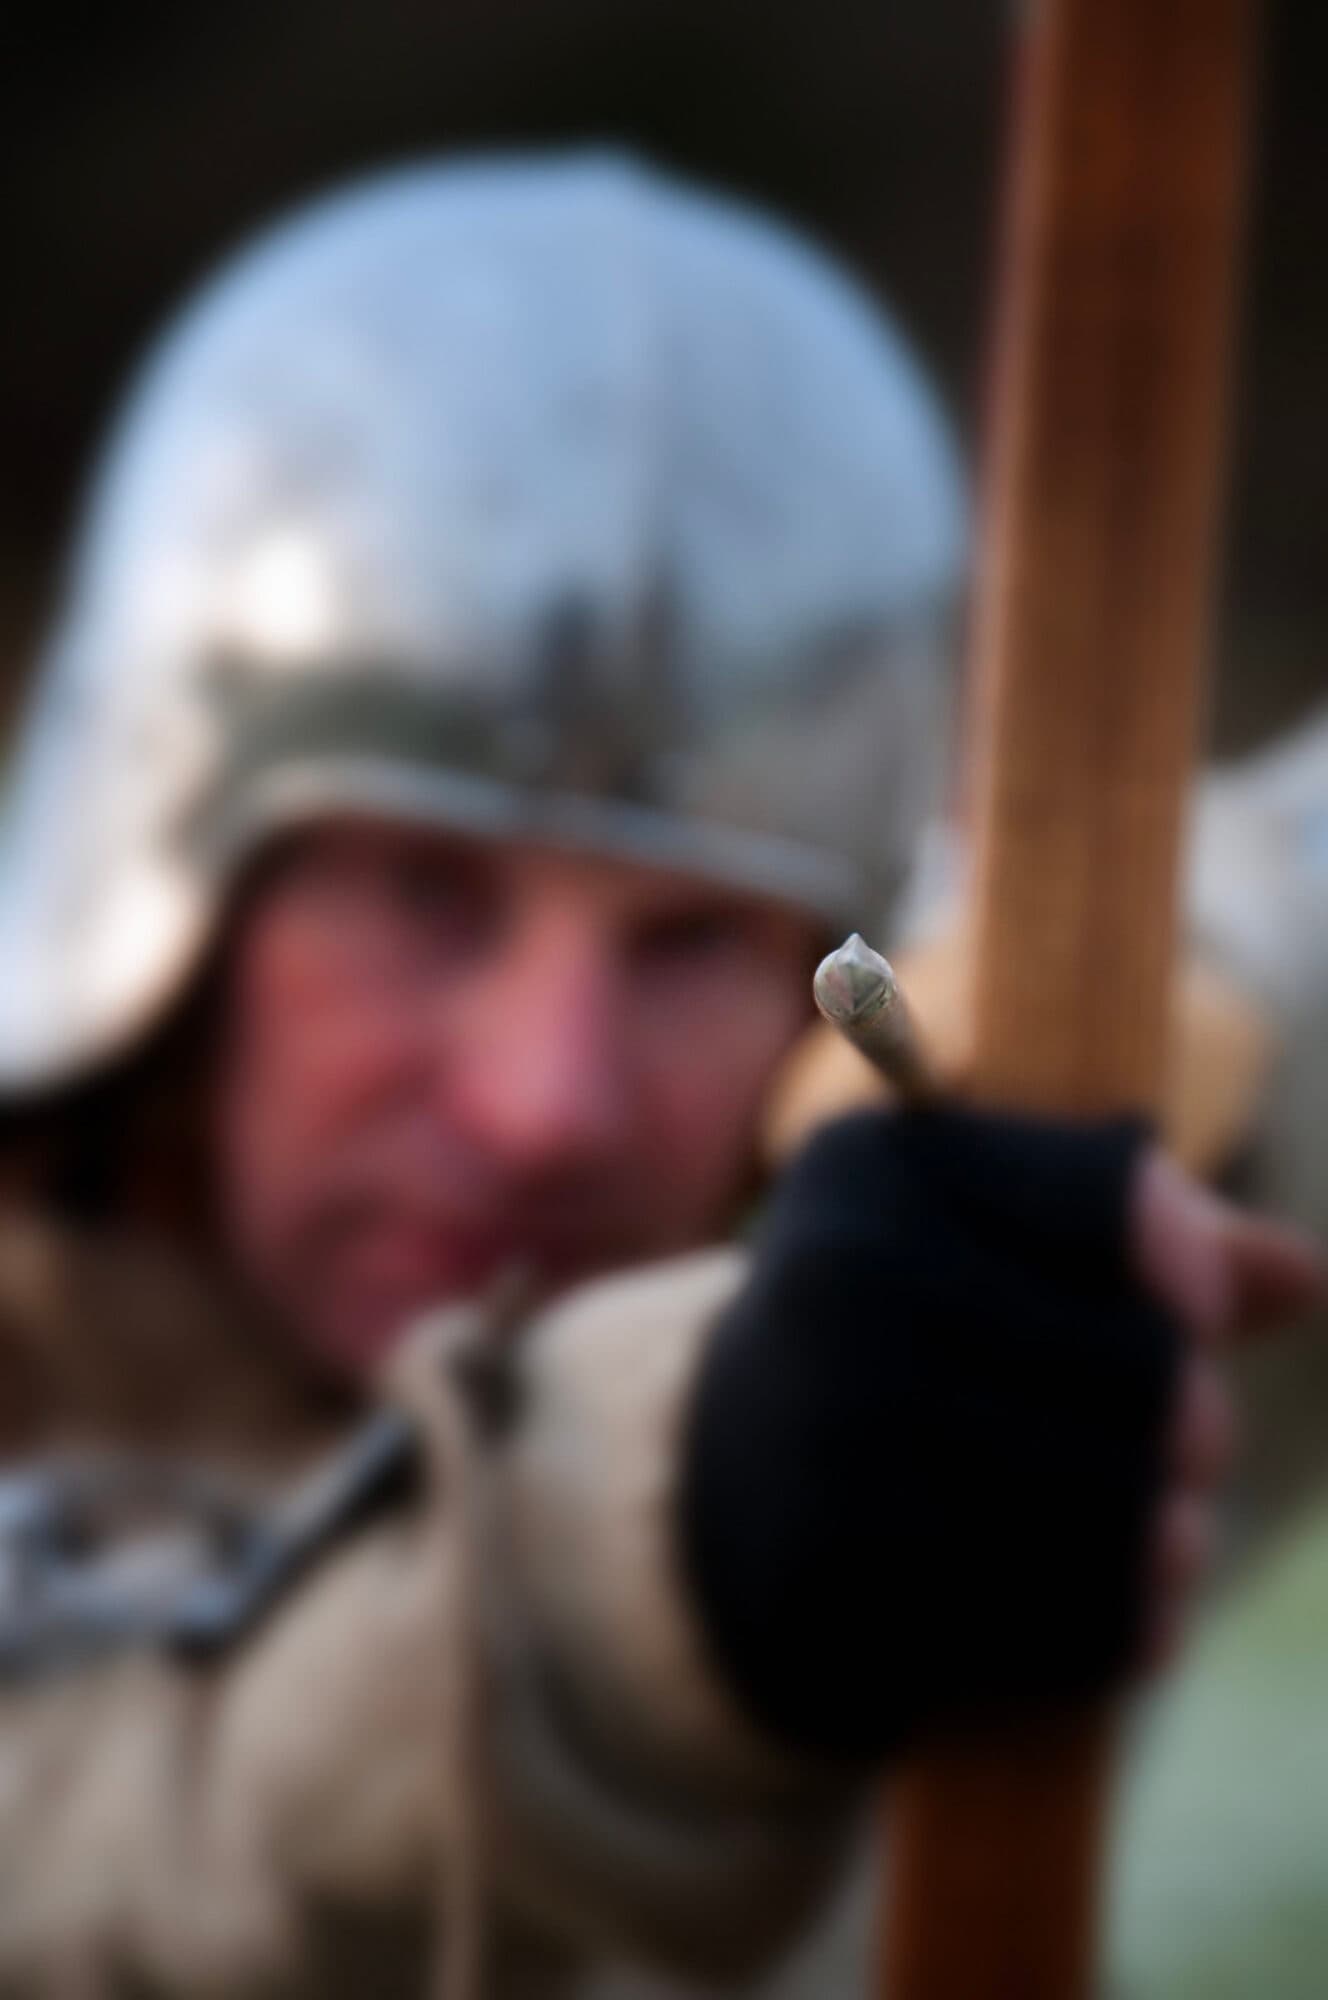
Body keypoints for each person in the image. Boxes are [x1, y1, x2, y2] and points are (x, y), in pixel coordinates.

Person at [0, 154, 1317, 2000]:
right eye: (423, 895)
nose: (548, 1106)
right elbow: (115, 1844)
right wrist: (694, 1561)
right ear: (168, 897)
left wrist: (1119, 1019)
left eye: (696, 941)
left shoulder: (981, 1269)